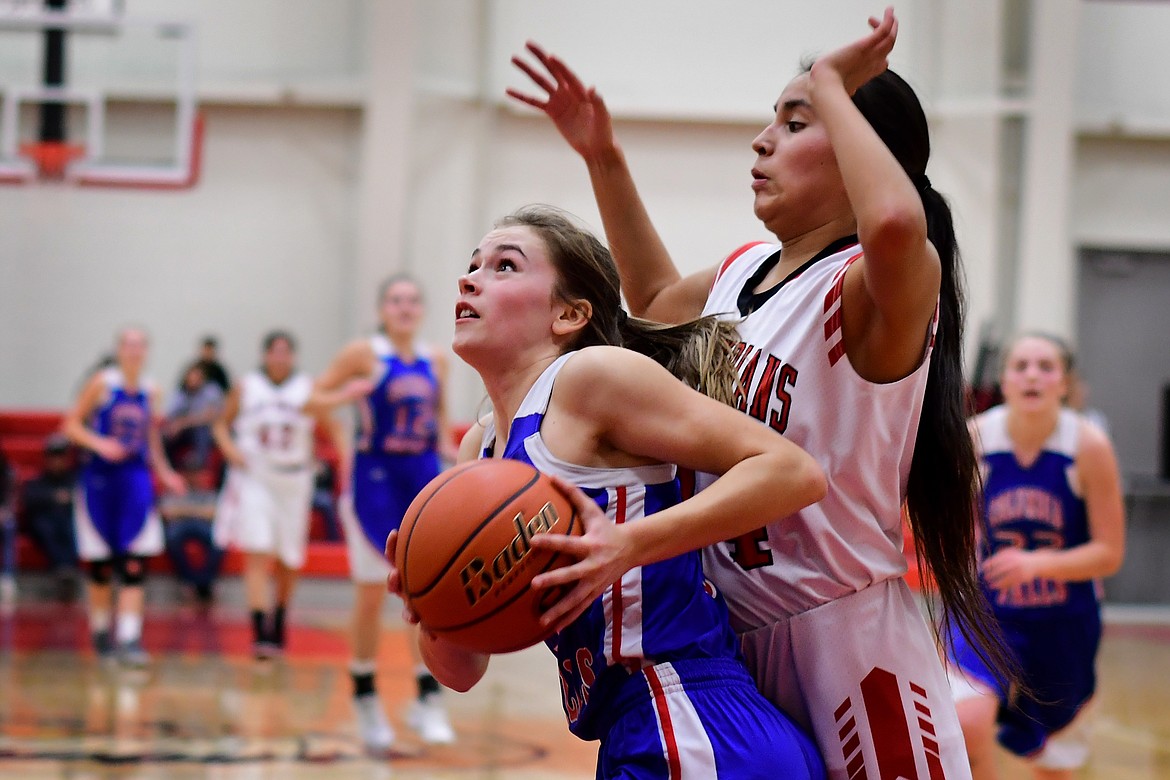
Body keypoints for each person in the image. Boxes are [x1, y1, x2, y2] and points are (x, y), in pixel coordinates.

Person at [508, 9, 1004, 777]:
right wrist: (602, 156)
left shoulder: (873, 288)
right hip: (734, 637)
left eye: (795, 122)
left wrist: (835, 82)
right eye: (772, 119)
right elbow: (656, 296)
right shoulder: (743, 272)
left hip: (848, 641)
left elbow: (899, 224)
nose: (761, 140)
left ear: (857, 153)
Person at [386, 206, 828, 778]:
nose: (470, 279)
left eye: (504, 266)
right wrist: (432, 606)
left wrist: (629, 544)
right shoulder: (479, 447)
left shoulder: (587, 380)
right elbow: (462, 672)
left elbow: (794, 472)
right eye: (472, 265)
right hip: (632, 731)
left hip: (691, 718)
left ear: (569, 314)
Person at [945, 333, 1126, 780]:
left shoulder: (1088, 447)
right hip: (989, 615)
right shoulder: (976, 438)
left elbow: (1110, 552)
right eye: (1020, 365)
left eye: (1045, 367)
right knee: (967, 725)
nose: (1032, 375)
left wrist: (1036, 564)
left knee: (1051, 764)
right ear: (1003, 381)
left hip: (1062, 624)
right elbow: (953, 527)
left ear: (1064, 383)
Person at [311, 274, 461, 751]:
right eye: (396, 300)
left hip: (419, 480)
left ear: (422, 310)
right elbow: (312, 399)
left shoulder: (437, 358)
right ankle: (365, 696)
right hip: (372, 483)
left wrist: (460, 466)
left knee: (426, 595)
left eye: (413, 300)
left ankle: (425, 698)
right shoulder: (364, 354)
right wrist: (343, 415)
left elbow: (438, 423)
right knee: (373, 594)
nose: (405, 307)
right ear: (382, 309)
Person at [61, 327, 186, 666]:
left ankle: (130, 638)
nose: (134, 350)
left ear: (147, 351)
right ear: (118, 349)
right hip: (100, 481)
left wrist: (165, 472)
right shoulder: (103, 383)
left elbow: (152, 437)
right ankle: (102, 633)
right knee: (100, 565)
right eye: (128, 345)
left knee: (135, 563)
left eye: (139, 345)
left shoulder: (152, 390)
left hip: (134, 480)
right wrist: (101, 444)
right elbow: (70, 425)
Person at [212, 331, 339, 658]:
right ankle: (260, 633)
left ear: (292, 357)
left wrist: (331, 454)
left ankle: (279, 616)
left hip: (295, 480)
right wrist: (229, 450)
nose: (280, 358)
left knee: (288, 558)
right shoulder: (246, 386)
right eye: (275, 352)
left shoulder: (307, 389)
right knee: (257, 551)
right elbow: (220, 425)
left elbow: (331, 426)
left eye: (286, 352)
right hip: (256, 476)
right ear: (266, 355)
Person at [19, 433, 81, 600]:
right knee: (46, 525)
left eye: (61, 456)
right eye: (53, 456)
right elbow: (29, 500)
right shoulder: (38, 481)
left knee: (70, 526)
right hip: (43, 527)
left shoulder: (74, 480)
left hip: (67, 524)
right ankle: (62, 569)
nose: (57, 461)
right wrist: (55, 498)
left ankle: (67, 570)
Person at [162, 362, 224, 471]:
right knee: (166, 433)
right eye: (191, 377)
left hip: (208, 431)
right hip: (186, 431)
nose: (194, 380)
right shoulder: (180, 394)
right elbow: (169, 415)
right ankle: (169, 466)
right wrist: (174, 426)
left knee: (202, 430)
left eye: (197, 377)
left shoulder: (211, 391)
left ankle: (199, 463)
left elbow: (208, 416)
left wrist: (183, 422)